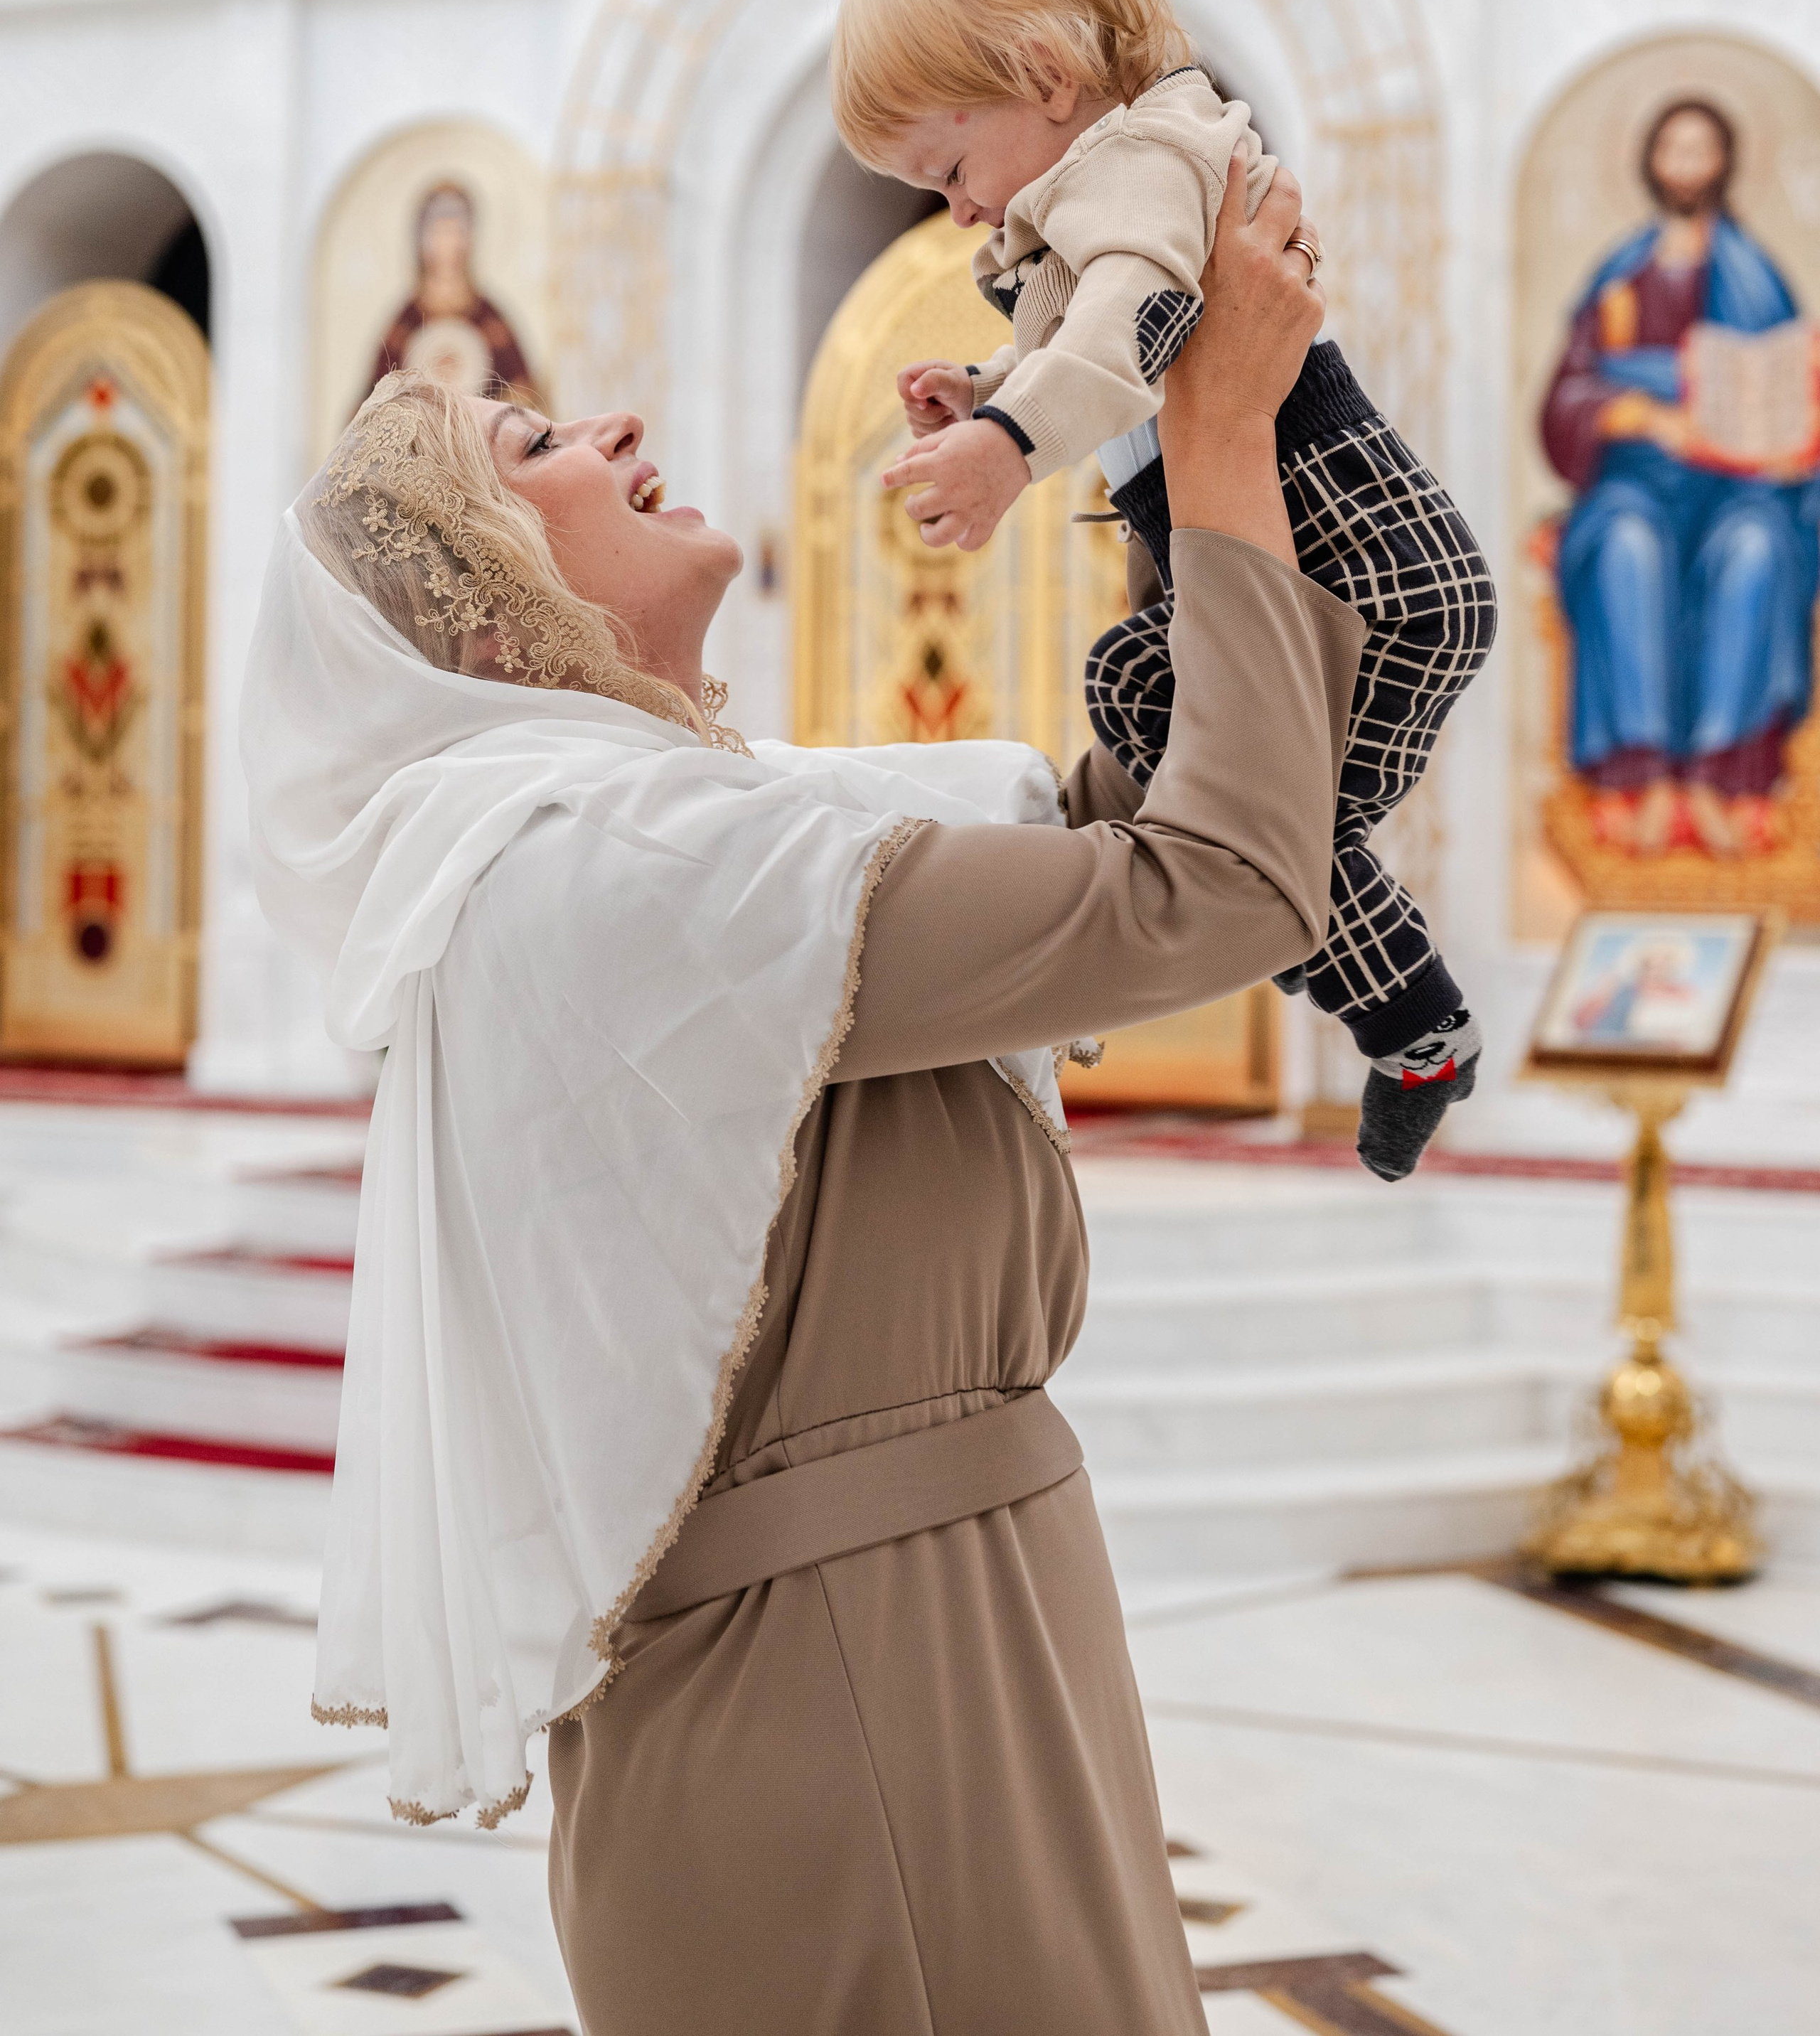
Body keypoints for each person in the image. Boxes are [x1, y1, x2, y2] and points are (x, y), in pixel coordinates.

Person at [241, 153, 1359, 2036]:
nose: (615, 423)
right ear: (490, 615)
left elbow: (1138, 812)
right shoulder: (603, 864)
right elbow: (1218, 889)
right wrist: (1224, 425)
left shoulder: (701, 832)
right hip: (841, 1693)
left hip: (944, 1616)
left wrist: (1118, 400)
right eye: (535, 445)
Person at [830, 0, 1497, 1181]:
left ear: (1046, 73)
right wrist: (986, 388)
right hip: (1340, 576)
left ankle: (1417, 1023)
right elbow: (1112, 343)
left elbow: (1136, 332)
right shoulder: (1101, 190)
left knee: (1229, 818)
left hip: (1361, 571)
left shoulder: (1136, 168)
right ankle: (1414, 1017)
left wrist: (1010, 446)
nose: (956, 209)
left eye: (951, 168)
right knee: (1175, 729)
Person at [1541, 96, 1820, 859]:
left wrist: (1791, 445)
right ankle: (1642, 777)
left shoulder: (1755, 275)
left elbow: (1790, 384)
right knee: (1627, 545)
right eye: (1675, 150)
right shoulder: (1620, 275)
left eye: (1702, 151)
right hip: (1635, 483)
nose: (1688, 167)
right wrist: (1645, 413)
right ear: (1651, 162)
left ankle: (1720, 775)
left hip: (1741, 490)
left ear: (1724, 163)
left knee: (1761, 549)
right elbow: (1567, 393)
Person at [363, 177, 547, 412]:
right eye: (439, 232)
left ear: (469, 238)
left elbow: (522, 394)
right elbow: (374, 400)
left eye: (456, 232)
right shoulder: (405, 323)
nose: (448, 242)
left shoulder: (490, 319)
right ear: (421, 239)